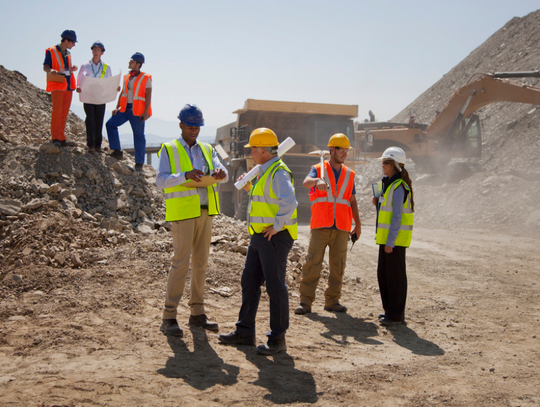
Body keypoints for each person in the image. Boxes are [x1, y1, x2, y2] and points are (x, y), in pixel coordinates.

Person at [218, 128, 298, 355]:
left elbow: (290, 202)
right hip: (260, 236)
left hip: (274, 237)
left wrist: (278, 226)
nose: (251, 153)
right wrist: (249, 188)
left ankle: (277, 339)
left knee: (275, 286)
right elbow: (266, 199)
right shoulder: (265, 171)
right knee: (249, 282)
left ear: (263, 150)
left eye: (253, 149)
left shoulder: (279, 172)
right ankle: (244, 331)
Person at [156, 104, 228, 337]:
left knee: (200, 264)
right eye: (190, 126)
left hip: (205, 212)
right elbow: (161, 180)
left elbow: (221, 171)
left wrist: (220, 174)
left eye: (198, 126)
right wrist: (184, 176)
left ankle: (197, 314)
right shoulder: (169, 148)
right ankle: (169, 317)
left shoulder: (207, 149)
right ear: (181, 125)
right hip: (184, 214)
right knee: (180, 264)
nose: (194, 130)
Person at [294, 133, 361, 315]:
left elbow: (352, 200)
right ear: (332, 150)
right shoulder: (318, 169)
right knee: (312, 264)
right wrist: (317, 181)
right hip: (320, 225)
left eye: (347, 151)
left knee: (338, 266)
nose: (345, 154)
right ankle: (305, 302)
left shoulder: (349, 174)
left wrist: (358, 224)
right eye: (342, 150)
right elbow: (306, 182)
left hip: (342, 227)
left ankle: (332, 301)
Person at [372, 147, 414, 326]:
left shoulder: (398, 187)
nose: (382, 166)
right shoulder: (389, 184)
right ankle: (390, 311)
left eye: (385, 163)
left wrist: (390, 242)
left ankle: (396, 315)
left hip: (394, 242)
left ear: (393, 165)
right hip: (387, 240)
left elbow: (397, 216)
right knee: (384, 275)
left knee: (395, 277)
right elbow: (387, 212)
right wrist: (377, 203)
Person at [106, 52, 152, 171]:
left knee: (139, 136)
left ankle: (139, 163)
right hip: (125, 109)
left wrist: (146, 112)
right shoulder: (126, 76)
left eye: (131, 61)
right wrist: (117, 107)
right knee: (110, 124)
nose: (129, 63)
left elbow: (148, 96)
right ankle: (116, 151)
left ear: (138, 64)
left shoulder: (146, 78)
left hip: (137, 111)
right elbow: (123, 92)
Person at [76, 41, 114, 154]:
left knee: (99, 120)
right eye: (94, 50)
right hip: (88, 96)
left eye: (98, 50)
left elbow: (109, 82)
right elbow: (78, 79)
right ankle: (90, 145)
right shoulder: (85, 65)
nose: (96, 52)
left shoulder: (106, 67)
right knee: (90, 120)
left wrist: (114, 89)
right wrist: (78, 87)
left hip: (100, 97)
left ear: (102, 52)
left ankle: (98, 146)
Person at [43, 29, 78, 147]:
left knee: (64, 113)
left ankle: (62, 137)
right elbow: (45, 66)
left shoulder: (68, 53)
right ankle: (55, 137)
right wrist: (51, 70)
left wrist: (72, 67)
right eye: (73, 42)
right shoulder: (51, 51)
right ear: (66, 41)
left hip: (68, 86)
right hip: (58, 85)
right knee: (57, 112)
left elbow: (65, 67)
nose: (73, 45)